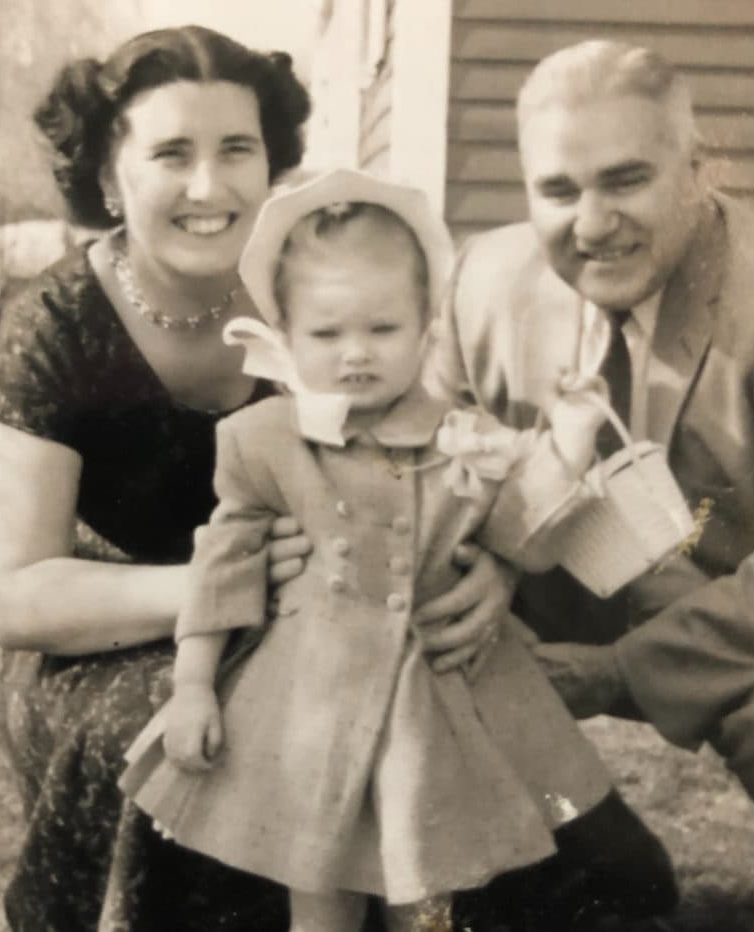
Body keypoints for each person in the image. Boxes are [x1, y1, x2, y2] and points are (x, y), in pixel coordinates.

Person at [0, 26, 527, 932]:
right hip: (100, 637)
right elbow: (16, 598)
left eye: (236, 149)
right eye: (170, 153)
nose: (208, 186)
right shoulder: (56, 322)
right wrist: (225, 590)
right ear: (110, 180)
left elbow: (436, 453)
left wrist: (490, 569)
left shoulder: (315, 288)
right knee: (210, 737)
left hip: (326, 613)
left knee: (458, 728)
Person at [118, 168, 629, 932]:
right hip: (308, 703)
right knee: (317, 888)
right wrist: (194, 684)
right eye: (327, 334)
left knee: (425, 891)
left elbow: (527, 532)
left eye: (382, 330)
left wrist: (571, 441)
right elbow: (222, 567)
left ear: (424, 327)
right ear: (286, 336)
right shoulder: (263, 443)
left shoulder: (466, 437)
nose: (356, 354)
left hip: (432, 704)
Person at [427, 38, 754, 932]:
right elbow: (417, 482)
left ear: (697, 170)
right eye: (558, 190)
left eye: (625, 180)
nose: (591, 223)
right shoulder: (480, 282)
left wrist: (619, 672)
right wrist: (487, 570)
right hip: (539, 591)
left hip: (736, 614)